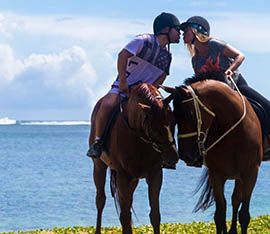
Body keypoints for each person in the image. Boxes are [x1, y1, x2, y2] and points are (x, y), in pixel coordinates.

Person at [87, 12, 181, 159]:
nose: (180, 33)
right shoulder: (143, 41)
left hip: (144, 95)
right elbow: (122, 55)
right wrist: (123, 82)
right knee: (107, 104)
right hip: (123, 87)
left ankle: (164, 149)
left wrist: (151, 93)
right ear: (166, 29)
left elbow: (161, 78)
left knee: (165, 114)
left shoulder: (168, 57)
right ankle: (98, 143)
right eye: (177, 29)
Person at [180, 16, 270, 164]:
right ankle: (198, 155)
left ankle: (265, 143)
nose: (183, 33)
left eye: (186, 30)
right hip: (214, 100)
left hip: (235, 86)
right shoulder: (195, 60)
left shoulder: (214, 44)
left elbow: (240, 56)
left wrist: (229, 70)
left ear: (197, 30)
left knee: (266, 107)